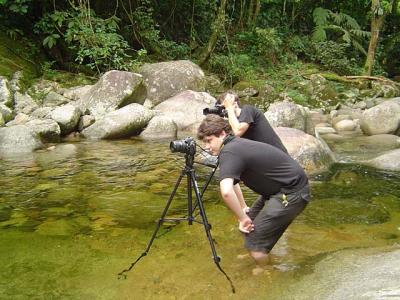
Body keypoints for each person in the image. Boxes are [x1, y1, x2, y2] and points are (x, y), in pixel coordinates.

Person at [197, 114, 310, 274]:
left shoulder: (229, 151)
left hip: (291, 192)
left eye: (209, 140)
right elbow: (234, 183)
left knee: (255, 242)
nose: (207, 146)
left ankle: (265, 270)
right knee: (249, 229)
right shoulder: (233, 146)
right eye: (204, 142)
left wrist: (242, 218)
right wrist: (243, 210)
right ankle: (257, 251)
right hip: (277, 190)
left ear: (222, 134)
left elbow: (226, 191)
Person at [218, 91, 288, 154]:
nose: (225, 110)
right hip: (264, 159)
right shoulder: (232, 123)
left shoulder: (248, 109)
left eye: (225, 106)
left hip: (278, 157)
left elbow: (238, 131)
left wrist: (229, 108)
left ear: (235, 103)